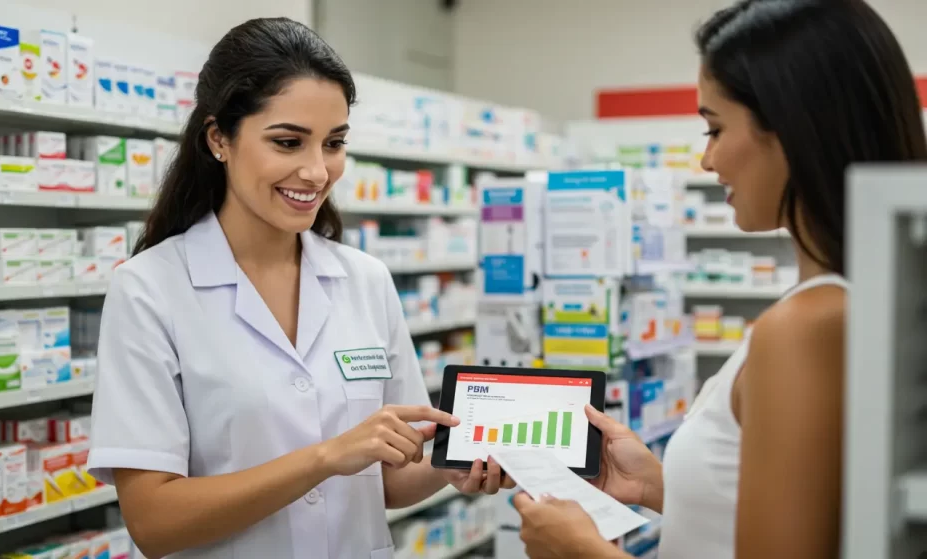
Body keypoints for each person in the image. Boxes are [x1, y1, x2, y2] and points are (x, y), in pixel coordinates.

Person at [511, 0, 927, 557]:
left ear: (791, 128)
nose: (706, 160)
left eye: (714, 128)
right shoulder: (850, 303)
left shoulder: (806, 326)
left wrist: (583, 552)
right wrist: (657, 486)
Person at [86, 18, 510, 559]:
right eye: (288, 142)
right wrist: (325, 456)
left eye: (334, 143)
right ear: (219, 139)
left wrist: (457, 465)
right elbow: (154, 521)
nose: (317, 171)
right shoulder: (150, 289)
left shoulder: (365, 280)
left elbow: (392, 479)